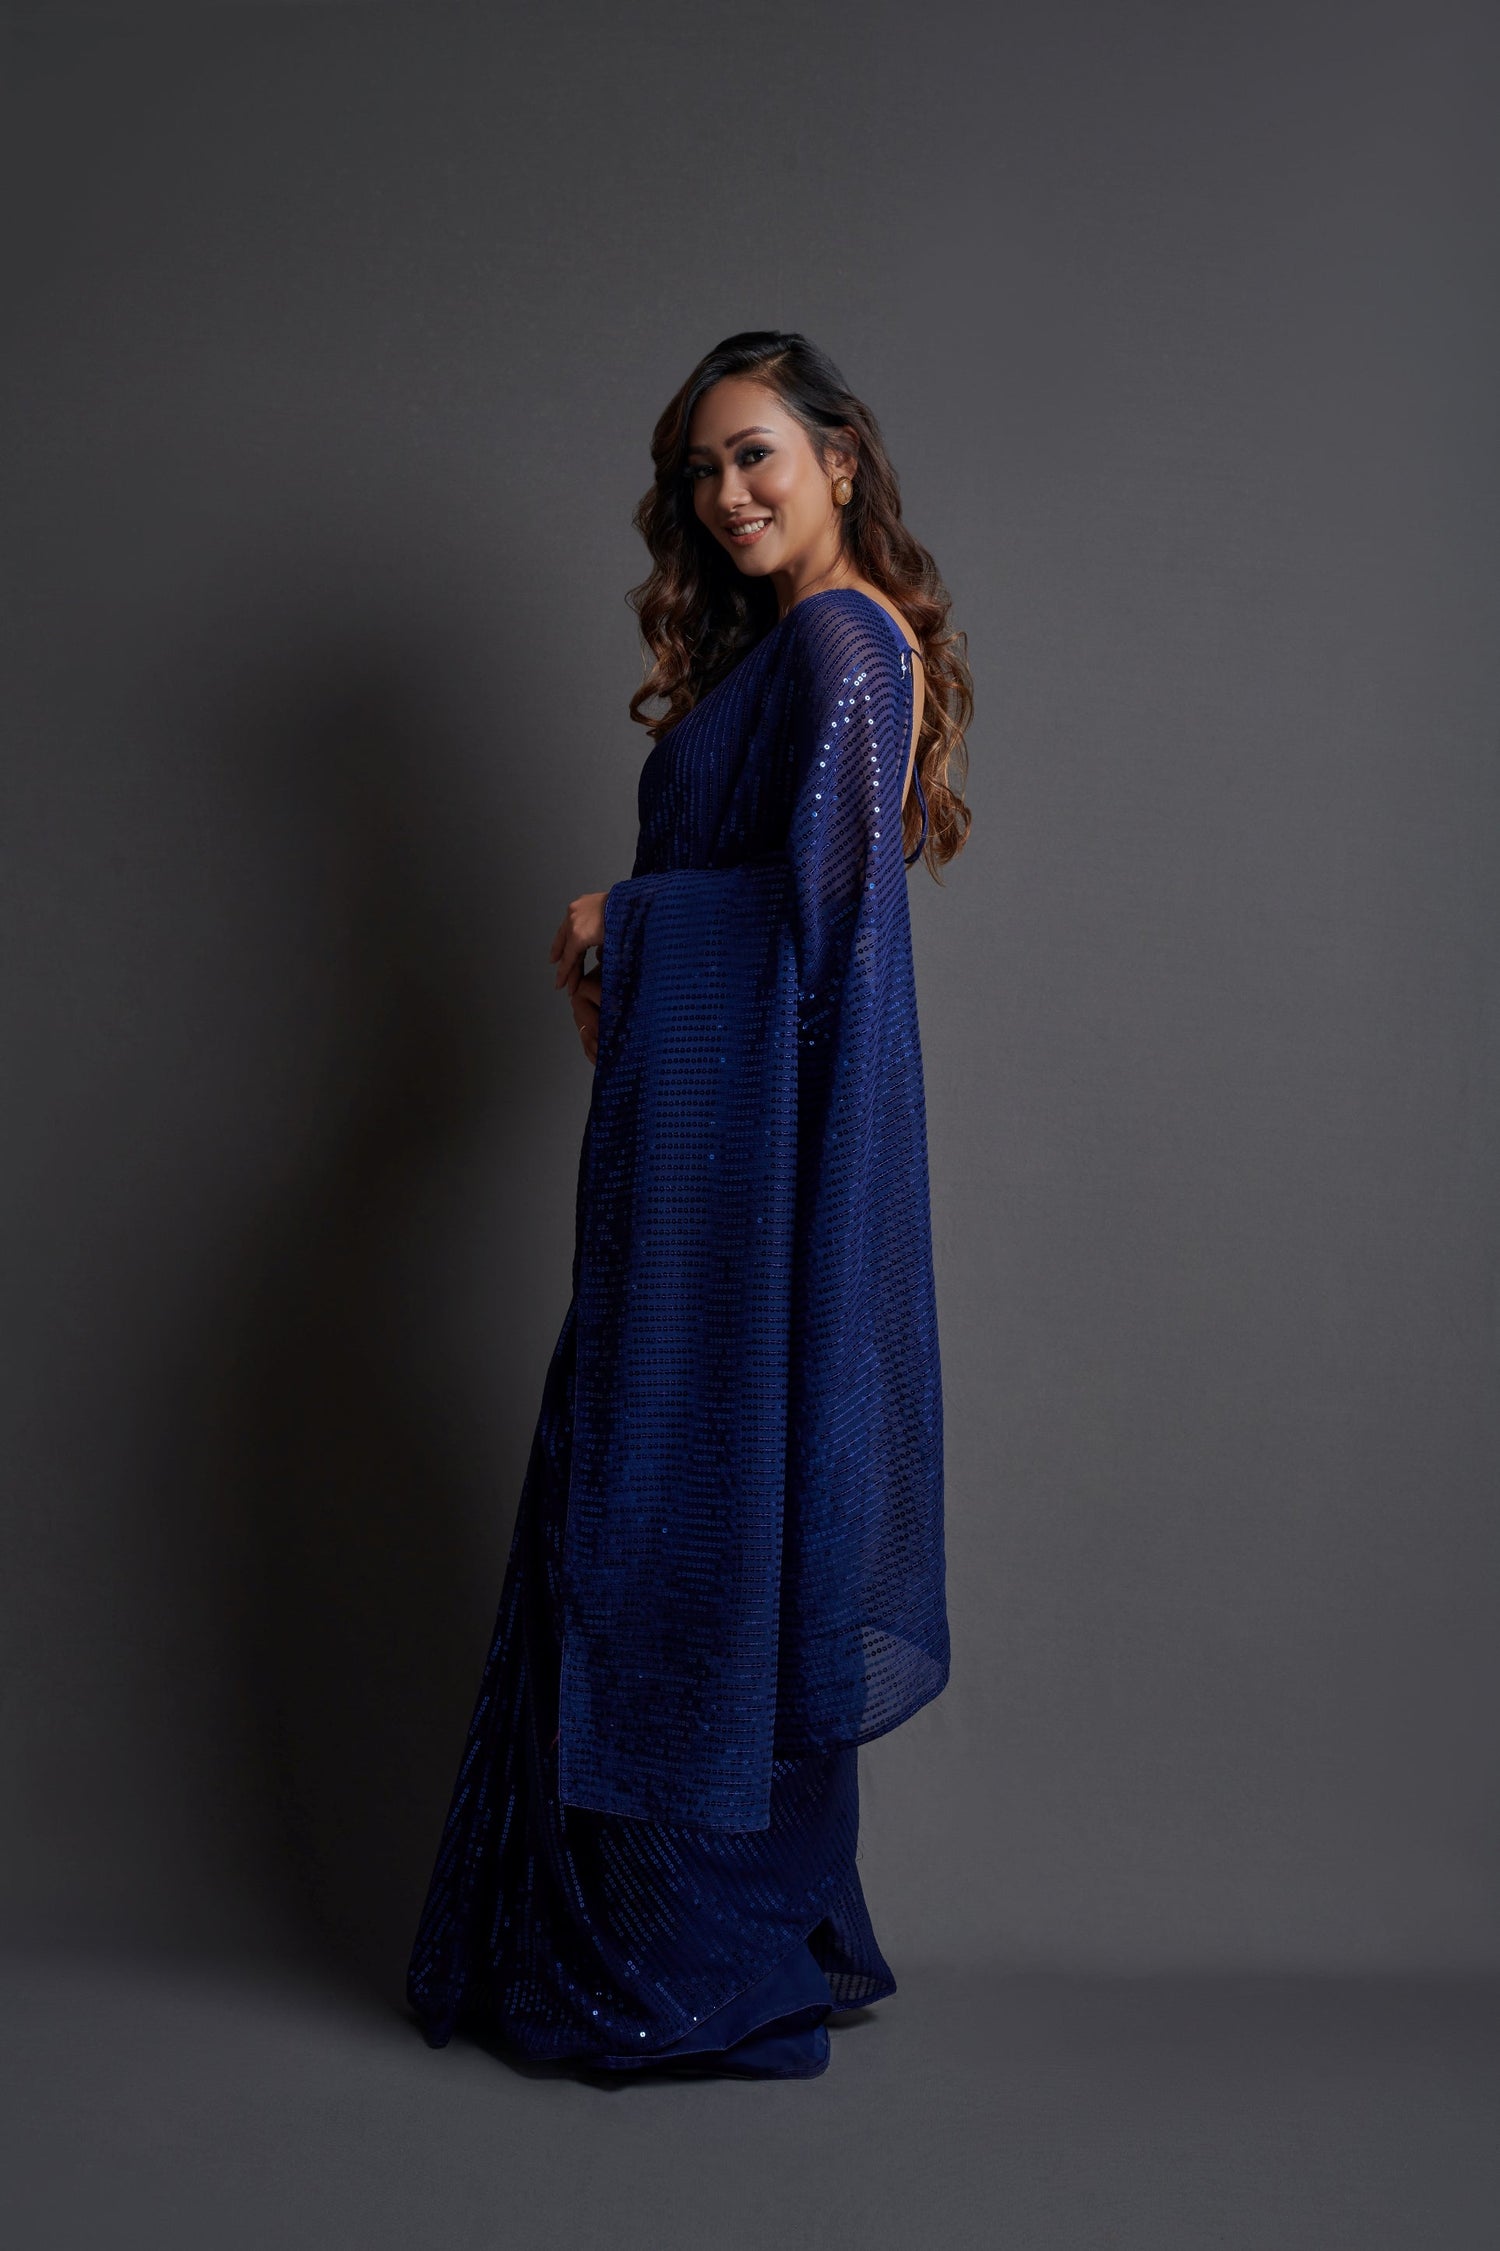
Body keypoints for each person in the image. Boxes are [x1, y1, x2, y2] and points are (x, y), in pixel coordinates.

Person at [406, 330, 973, 2080]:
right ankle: (671, 1932)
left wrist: (628, 926)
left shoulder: (848, 646)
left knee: (707, 1503)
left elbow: (825, 939)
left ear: (838, 460)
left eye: (757, 456)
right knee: (655, 1496)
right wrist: (628, 971)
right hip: (690, 1168)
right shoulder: (784, 653)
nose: (729, 495)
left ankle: (690, 1956)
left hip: (747, 1195)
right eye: (703, 471)